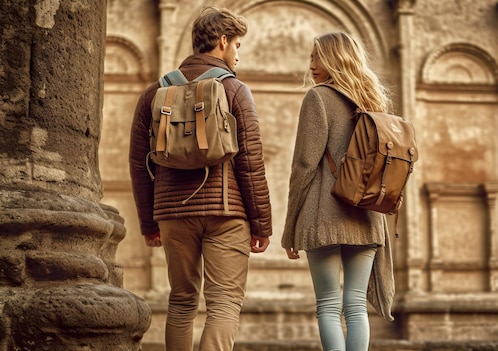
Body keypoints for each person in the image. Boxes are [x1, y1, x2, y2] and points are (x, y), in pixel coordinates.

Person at [128, 6, 272, 351]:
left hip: (172, 214)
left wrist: (149, 223)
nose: (238, 54)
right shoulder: (235, 90)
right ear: (222, 42)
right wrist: (261, 224)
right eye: (237, 45)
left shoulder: (154, 93)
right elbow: (251, 163)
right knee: (223, 303)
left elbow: (139, 163)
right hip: (226, 213)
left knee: (180, 301)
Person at [281, 32, 395, 351]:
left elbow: (304, 164)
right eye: (311, 57)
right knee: (357, 307)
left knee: (329, 307)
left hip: (324, 216)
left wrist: (290, 229)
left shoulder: (318, 97)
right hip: (368, 215)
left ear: (335, 59)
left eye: (317, 57)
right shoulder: (374, 101)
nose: (312, 64)